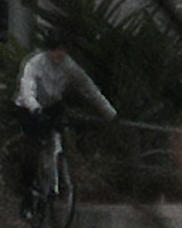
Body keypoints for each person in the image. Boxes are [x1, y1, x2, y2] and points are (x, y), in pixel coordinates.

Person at [12, 38, 116, 218]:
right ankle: (27, 193)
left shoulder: (69, 65)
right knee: (32, 148)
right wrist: (35, 109)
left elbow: (88, 88)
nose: (58, 55)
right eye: (55, 50)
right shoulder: (35, 64)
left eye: (62, 50)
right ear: (48, 50)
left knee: (60, 129)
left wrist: (109, 112)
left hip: (53, 104)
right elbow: (27, 89)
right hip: (29, 106)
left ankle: (59, 167)